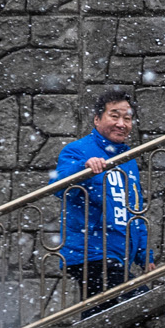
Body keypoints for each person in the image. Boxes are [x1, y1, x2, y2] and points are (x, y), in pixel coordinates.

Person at [56, 88, 148, 304]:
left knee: (99, 312)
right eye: (114, 116)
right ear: (97, 119)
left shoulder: (127, 159)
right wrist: (83, 168)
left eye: (127, 118)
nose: (121, 123)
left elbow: (135, 207)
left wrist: (145, 255)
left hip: (117, 254)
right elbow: (58, 186)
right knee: (139, 300)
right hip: (91, 252)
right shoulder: (77, 150)